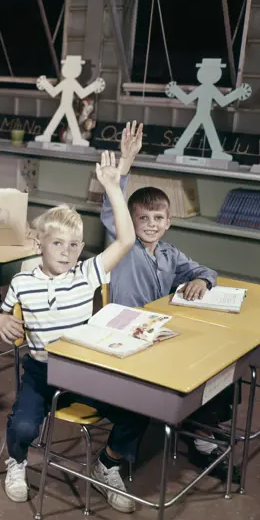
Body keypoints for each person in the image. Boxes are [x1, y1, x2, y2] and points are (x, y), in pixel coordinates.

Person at [0, 151, 148, 513]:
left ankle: (107, 464)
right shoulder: (21, 282)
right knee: (25, 424)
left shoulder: (86, 275)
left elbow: (125, 239)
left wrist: (112, 186)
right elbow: (1, 315)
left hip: (83, 370)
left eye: (74, 245)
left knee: (138, 413)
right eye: (58, 243)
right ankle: (17, 462)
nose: (67, 252)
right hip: (41, 371)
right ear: (38, 245)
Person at [101, 121, 239, 483]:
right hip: (125, 337)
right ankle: (113, 459)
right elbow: (112, 205)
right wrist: (126, 162)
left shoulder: (168, 253)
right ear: (128, 221)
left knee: (218, 369)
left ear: (168, 222)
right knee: (150, 397)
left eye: (157, 218)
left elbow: (205, 269)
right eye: (141, 218)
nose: (149, 224)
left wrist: (198, 278)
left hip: (158, 334)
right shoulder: (124, 246)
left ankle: (201, 434)